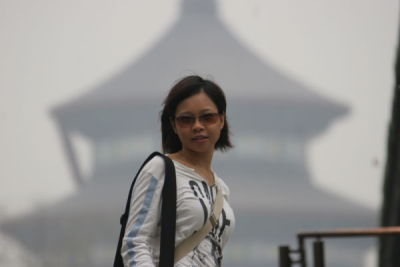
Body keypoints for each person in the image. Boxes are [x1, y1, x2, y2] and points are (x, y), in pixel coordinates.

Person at [121, 75, 235, 266]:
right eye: (186, 120)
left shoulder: (221, 189)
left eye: (208, 117)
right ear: (173, 125)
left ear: (221, 120)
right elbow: (135, 242)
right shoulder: (160, 170)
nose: (197, 126)